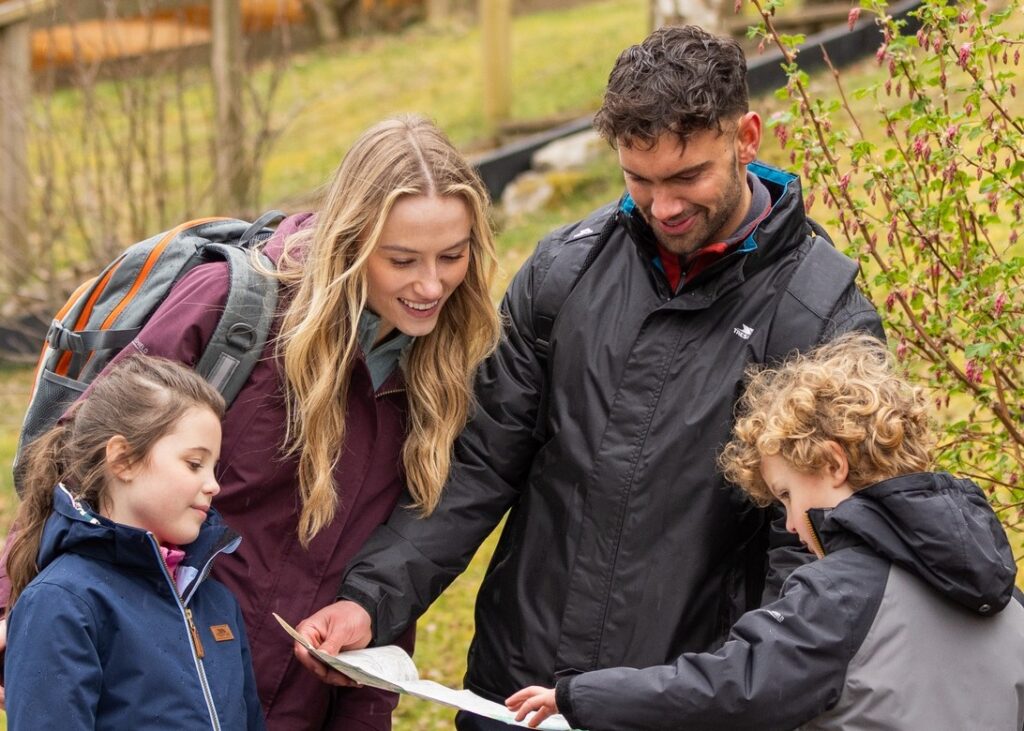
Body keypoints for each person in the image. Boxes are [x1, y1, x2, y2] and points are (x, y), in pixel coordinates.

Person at [295, 25, 885, 731]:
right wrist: (371, 597)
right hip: (514, 693)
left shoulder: (821, 315)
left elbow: (816, 561)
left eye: (687, 176)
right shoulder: (562, 271)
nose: (663, 207)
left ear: (747, 136)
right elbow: (477, 467)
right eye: (639, 179)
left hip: (682, 708)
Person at [0, 114, 502, 730]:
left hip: (301, 703)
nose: (431, 284)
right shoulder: (234, 312)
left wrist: (364, 710)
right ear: (350, 244)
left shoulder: (447, 369)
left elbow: (387, 562)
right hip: (157, 689)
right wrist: (13, 606)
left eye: (452, 256)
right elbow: (85, 450)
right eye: (401, 261)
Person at [505, 333, 1024, 731]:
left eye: (786, 497)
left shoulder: (841, 591)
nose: (794, 526)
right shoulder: (1002, 591)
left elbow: (735, 690)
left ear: (831, 463)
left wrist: (582, 697)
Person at [3, 355, 264, 730]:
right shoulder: (63, 602)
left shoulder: (216, 601)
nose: (214, 485)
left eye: (214, 467)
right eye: (194, 464)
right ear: (123, 459)